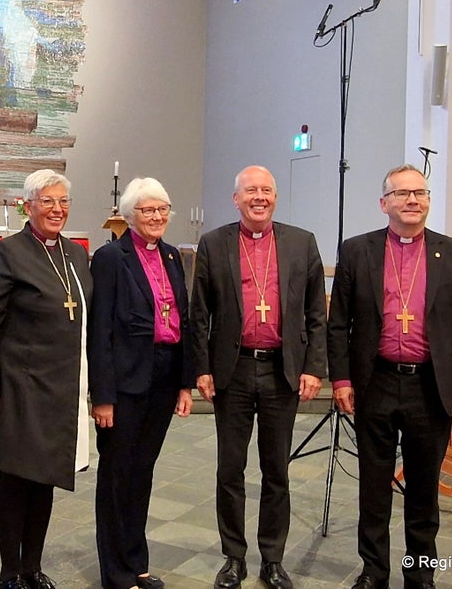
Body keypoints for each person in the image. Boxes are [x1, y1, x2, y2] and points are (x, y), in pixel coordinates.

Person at [327, 165, 452, 589]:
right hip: (374, 382)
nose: (412, 200)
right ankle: (373, 572)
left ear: (428, 200)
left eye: (420, 192)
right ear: (384, 203)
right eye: (402, 194)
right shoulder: (357, 251)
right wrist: (341, 379)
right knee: (373, 488)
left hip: (430, 387)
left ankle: (420, 575)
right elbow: (338, 324)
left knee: (423, 490)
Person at [190, 165, 327, 589]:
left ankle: (272, 558)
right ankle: (234, 557)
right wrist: (202, 367)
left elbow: (316, 313)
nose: (259, 197)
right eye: (251, 190)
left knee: (276, 470)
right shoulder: (214, 243)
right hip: (232, 370)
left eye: (266, 190)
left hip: (281, 370)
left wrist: (313, 366)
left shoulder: (302, 243)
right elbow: (199, 314)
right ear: (236, 199)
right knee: (230, 469)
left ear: (275, 196)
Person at [0, 168, 93, 589]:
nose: (57, 209)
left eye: (63, 202)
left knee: (46, 477)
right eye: (48, 201)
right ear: (28, 206)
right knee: (16, 477)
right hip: (20, 386)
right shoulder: (7, 253)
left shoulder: (76, 254)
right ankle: (10, 571)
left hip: (62, 387)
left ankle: (33, 568)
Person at [88, 177, 196, 589]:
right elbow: (100, 332)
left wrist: (185, 383)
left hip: (164, 377)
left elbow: (182, 320)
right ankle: (116, 572)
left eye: (162, 209)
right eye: (147, 210)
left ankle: (138, 563)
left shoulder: (171, 255)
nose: (156, 217)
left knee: (143, 473)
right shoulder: (111, 258)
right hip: (125, 382)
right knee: (117, 476)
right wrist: (103, 396)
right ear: (130, 216)